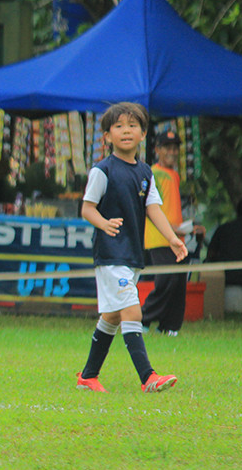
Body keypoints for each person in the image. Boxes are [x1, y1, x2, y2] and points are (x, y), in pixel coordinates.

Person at [75, 102, 187, 394]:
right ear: (107, 136)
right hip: (111, 254)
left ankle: (88, 376)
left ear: (143, 134)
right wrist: (103, 223)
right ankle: (148, 376)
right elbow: (87, 209)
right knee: (132, 311)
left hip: (132, 255)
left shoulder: (146, 172)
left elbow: (154, 210)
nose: (126, 130)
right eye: (119, 126)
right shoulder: (103, 171)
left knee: (112, 316)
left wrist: (172, 238)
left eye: (132, 125)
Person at [140, 131, 204, 336]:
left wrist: (188, 227)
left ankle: (170, 327)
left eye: (175, 148)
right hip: (159, 238)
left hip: (178, 237)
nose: (172, 152)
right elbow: (148, 207)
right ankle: (143, 320)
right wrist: (172, 229)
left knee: (178, 283)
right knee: (166, 281)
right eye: (167, 147)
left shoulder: (174, 175)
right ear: (157, 150)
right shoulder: (153, 173)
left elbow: (171, 208)